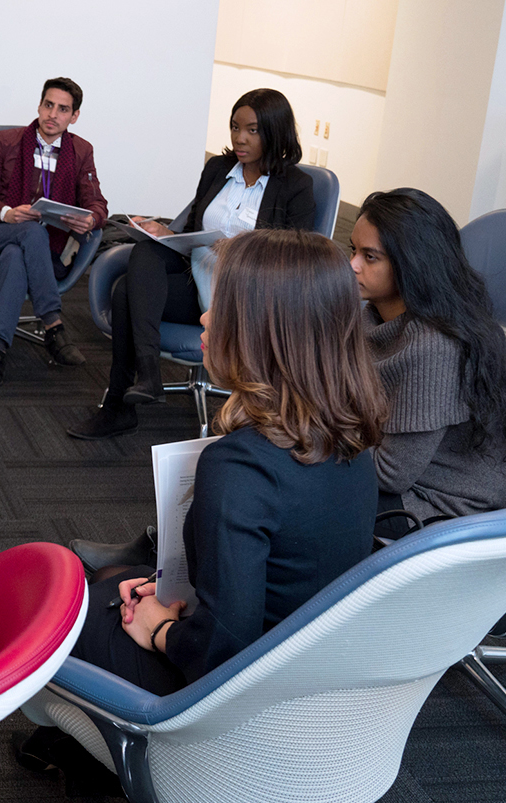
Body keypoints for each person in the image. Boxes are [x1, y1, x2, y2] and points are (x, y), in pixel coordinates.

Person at [68, 230, 385, 695]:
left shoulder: (239, 467)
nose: (204, 315)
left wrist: (161, 630)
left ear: (260, 331)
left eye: (220, 305)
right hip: (305, 672)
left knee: (62, 613)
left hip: (234, 697)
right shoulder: (349, 435)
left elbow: (223, 650)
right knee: (114, 582)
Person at [68, 88, 316, 440]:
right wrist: (164, 233)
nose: (239, 138)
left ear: (275, 131)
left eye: (252, 130)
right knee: (144, 254)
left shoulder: (296, 186)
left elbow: (299, 260)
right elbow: (194, 230)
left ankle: (122, 403)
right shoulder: (218, 168)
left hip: (244, 299)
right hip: (198, 279)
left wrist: (243, 251)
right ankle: (145, 377)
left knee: (125, 294)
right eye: (234, 127)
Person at [350, 188, 506, 531]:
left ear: (412, 263)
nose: (353, 265)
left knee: (292, 496)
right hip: (386, 473)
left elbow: (390, 475)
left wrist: (315, 435)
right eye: (353, 250)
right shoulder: (369, 318)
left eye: (370, 257)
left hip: (435, 505)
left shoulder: (434, 347)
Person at [0, 77, 108, 388]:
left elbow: (97, 204)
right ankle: (53, 325)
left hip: (40, 250)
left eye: (63, 109)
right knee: (31, 233)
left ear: (74, 116)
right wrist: (7, 213)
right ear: (39, 105)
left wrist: (90, 220)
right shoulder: (5, 142)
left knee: (17, 256)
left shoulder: (81, 151)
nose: (52, 115)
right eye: (48, 105)